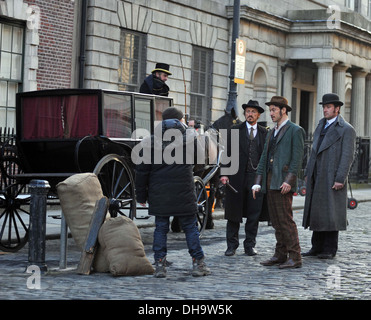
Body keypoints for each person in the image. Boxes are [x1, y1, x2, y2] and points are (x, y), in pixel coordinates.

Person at [135, 107, 210, 278]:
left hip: (159, 194)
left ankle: (160, 265)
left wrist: (141, 196)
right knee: (191, 227)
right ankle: (198, 264)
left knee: (160, 228)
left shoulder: (149, 142)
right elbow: (200, 162)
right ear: (180, 120)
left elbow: (142, 172)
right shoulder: (190, 138)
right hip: (184, 192)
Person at [252, 96, 305, 269]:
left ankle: (295, 256)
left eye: (274, 110)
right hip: (270, 181)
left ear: (284, 110)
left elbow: (297, 159)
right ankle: (281, 254)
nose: (271, 113)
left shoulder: (295, 130)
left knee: (285, 220)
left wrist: (290, 180)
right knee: (275, 220)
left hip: (283, 182)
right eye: (271, 110)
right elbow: (263, 158)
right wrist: (257, 181)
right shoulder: (271, 131)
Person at [302, 93, 356, 259]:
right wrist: (307, 172)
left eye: (328, 107)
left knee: (331, 213)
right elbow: (314, 151)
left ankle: (329, 249)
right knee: (317, 211)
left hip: (332, 176)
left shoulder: (346, 129)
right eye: (324, 107)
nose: (325, 110)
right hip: (317, 175)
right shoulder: (321, 125)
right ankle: (316, 247)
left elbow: (348, 156)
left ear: (337, 109)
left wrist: (340, 178)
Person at [220, 100, 268, 256]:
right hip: (236, 177)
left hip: (256, 179)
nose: (250, 114)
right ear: (244, 114)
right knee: (234, 213)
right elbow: (227, 153)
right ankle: (231, 245)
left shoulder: (264, 133)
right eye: (248, 111)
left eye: (253, 112)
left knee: (254, 213)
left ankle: (249, 245)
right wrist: (225, 173)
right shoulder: (235, 130)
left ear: (258, 115)